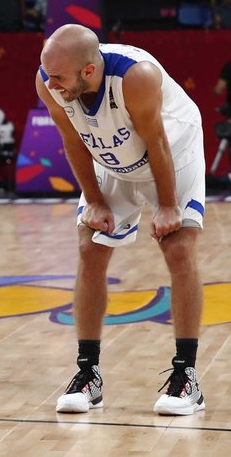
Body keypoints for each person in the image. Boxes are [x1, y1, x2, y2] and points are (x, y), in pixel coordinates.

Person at [38, 24, 206, 416]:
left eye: (59, 77)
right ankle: (87, 374)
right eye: (47, 74)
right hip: (114, 160)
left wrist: (167, 205)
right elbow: (72, 140)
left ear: (89, 72)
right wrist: (94, 201)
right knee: (89, 246)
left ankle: (187, 378)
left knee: (178, 249)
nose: (50, 84)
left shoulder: (136, 76)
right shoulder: (50, 81)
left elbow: (158, 142)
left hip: (170, 153)